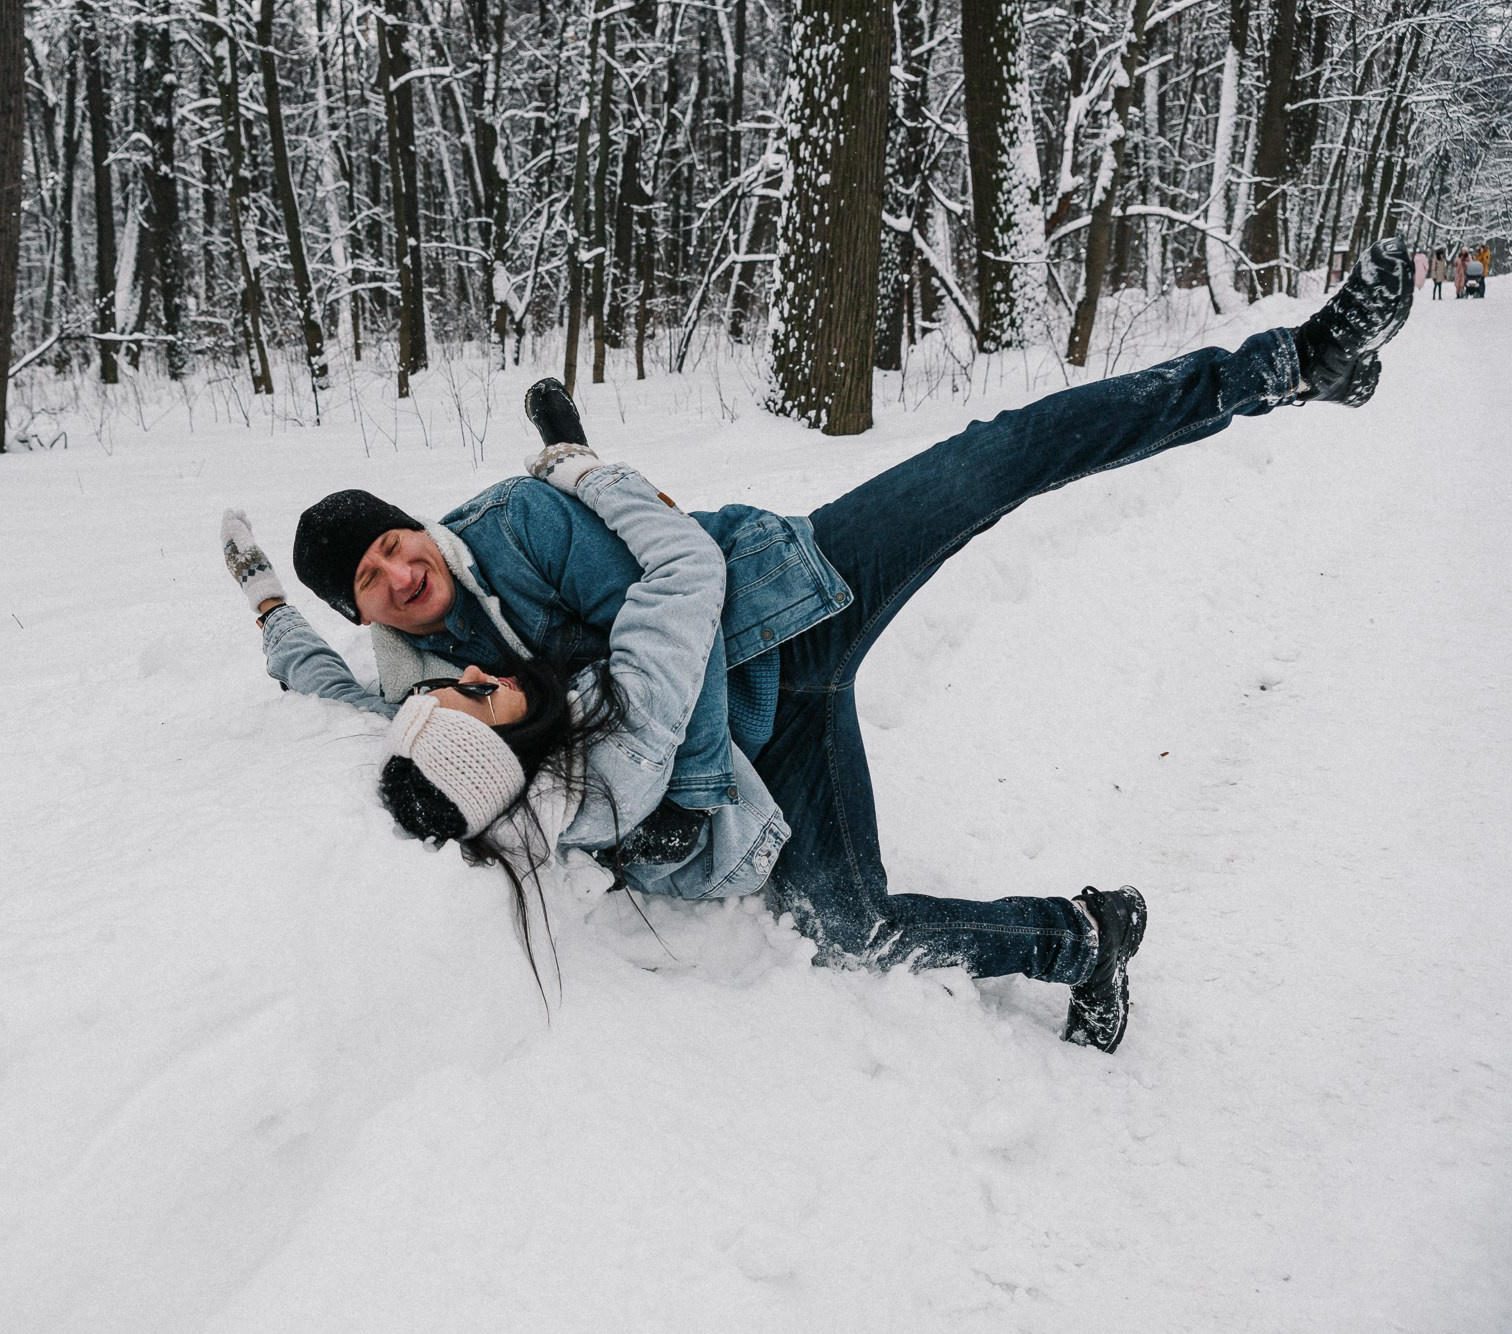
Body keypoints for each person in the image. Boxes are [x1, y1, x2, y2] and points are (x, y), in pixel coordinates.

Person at [221, 238, 1417, 1054]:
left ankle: (1290, 362)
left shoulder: (512, 522)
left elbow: (674, 600)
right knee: (849, 930)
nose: (391, 570)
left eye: (387, 542)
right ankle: (1088, 936)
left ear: (409, 524)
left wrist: (683, 786)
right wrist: (271, 606)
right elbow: (330, 687)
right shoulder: (421, 694)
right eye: (367, 583)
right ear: (366, 613)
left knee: (996, 456)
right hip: (771, 739)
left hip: (786, 597)